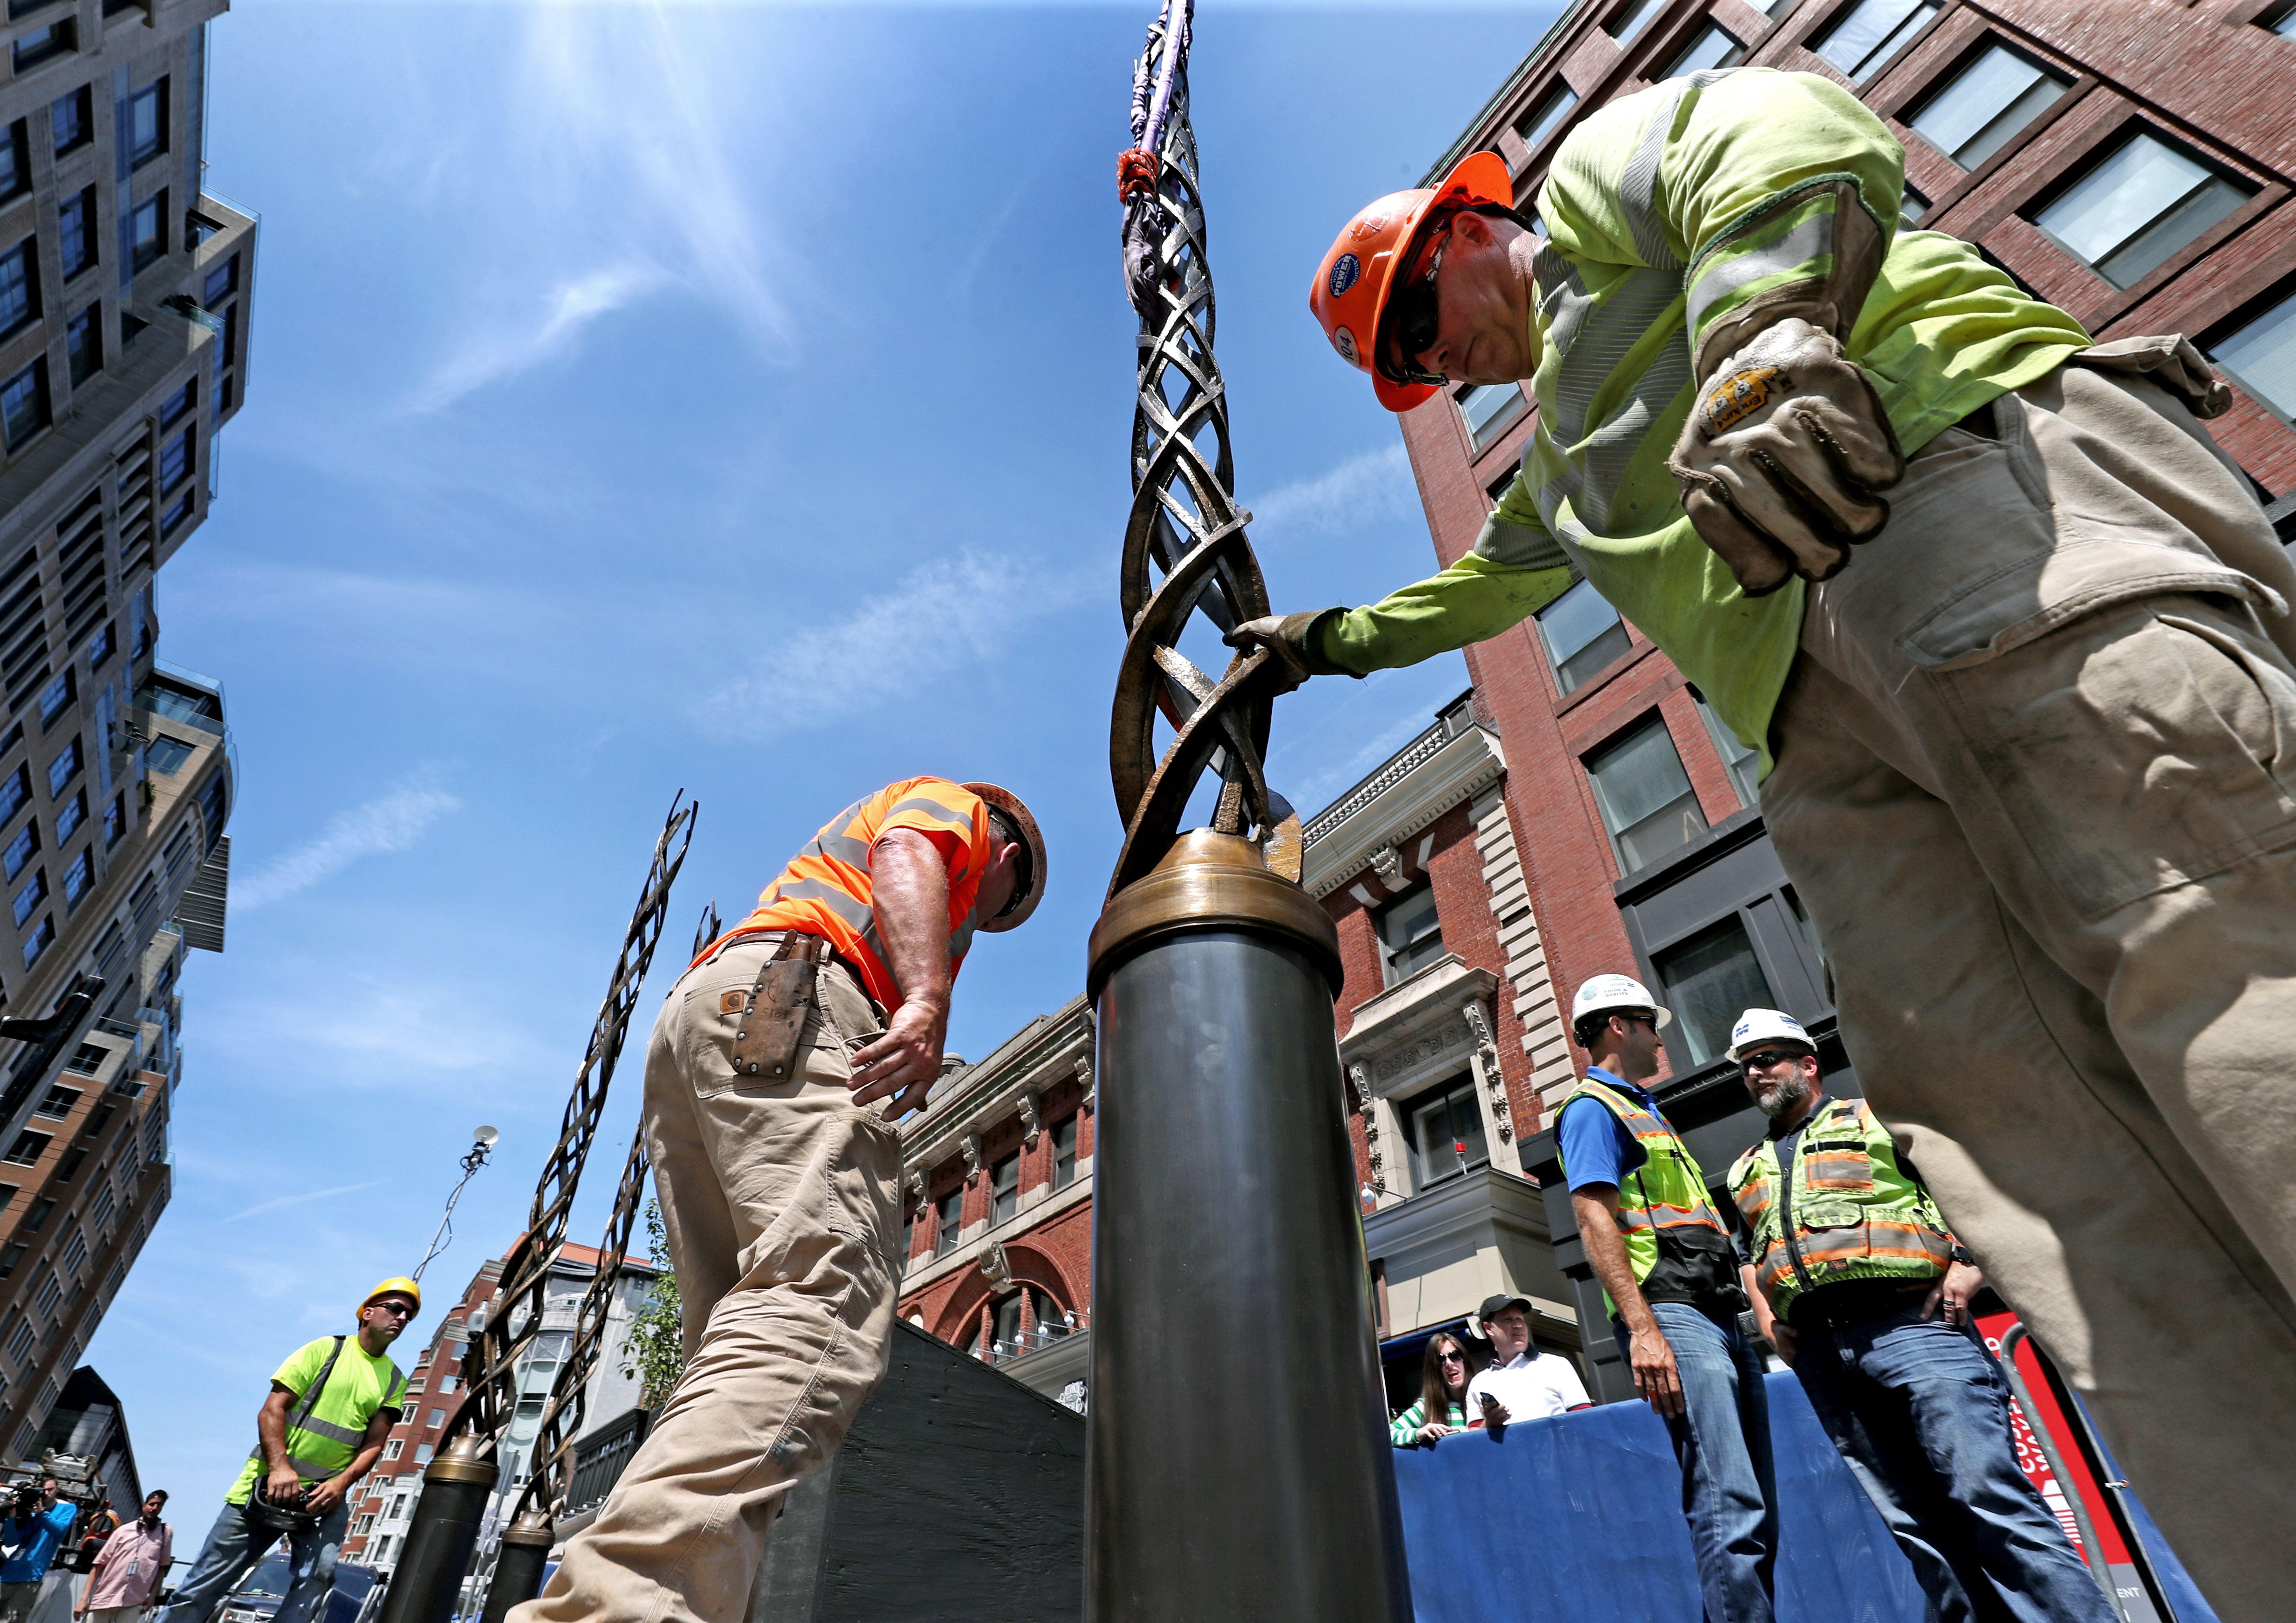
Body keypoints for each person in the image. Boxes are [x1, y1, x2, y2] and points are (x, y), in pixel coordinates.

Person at [1237, 61, 2296, 1619]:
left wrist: (1760, 335)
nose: (1431, 350)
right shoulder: (1568, 456)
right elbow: (1482, 591)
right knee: (2043, 1155)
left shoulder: (1607, 181)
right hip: (1816, 721)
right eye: (1402, 359)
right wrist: (1323, 641)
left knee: (2220, 957)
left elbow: (1787, 131)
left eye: (1418, 303)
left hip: (1943, 491)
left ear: (1474, 224)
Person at [514, 778, 1048, 1623]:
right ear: (1007, 858)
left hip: (723, 1012)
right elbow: (909, 853)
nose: (973, 921)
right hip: (791, 995)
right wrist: (926, 996)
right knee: (818, 1298)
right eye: (993, 907)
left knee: (741, 1349)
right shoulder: (959, 810)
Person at [1721, 1010, 2113, 1623]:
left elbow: (1973, 1183)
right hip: (1825, 1356)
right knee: (1917, 1527)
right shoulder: (1746, 1167)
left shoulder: (1875, 1117)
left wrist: (1971, 1261)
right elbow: (1751, 1254)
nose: (1755, 1070)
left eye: (1768, 1056)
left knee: (1987, 1497)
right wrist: (1771, 1324)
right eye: (1747, 1064)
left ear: (1808, 1063)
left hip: (1914, 1327)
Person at [1553, 975, 1775, 1623]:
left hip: (1714, 1314)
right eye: (1650, 1023)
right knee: (1727, 1500)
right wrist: (1643, 1329)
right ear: (1619, 1026)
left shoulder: (1644, 1110)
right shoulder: (1595, 1109)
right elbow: (1594, 1221)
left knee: (1750, 1500)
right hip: (1674, 1317)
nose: (1659, 1036)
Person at [154, 1282, 415, 1623]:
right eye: (395, 1307)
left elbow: (374, 1445)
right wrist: (279, 1468)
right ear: (367, 1312)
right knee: (203, 1586)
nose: (403, 1316)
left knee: (318, 1578)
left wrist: (340, 1485)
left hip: (323, 1496)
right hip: (266, 1486)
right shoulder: (326, 1350)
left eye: (409, 1314)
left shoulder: (395, 1381)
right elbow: (271, 1410)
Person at [1459, 1294, 1590, 1432]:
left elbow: (1585, 1419)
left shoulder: (1556, 1365)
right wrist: (1490, 1423)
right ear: (1489, 1328)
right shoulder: (1478, 1382)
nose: (1518, 1325)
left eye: (1520, 1319)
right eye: (1508, 1320)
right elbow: (1474, 1439)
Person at [76, 1494, 168, 1623]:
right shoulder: (123, 1531)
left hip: (134, 1601)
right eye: (152, 1504)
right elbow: (99, 1565)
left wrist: (153, 1596)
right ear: (144, 1506)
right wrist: (84, 1600)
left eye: (159, 1505)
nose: (155, 1508)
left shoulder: (165, 1533)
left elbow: (162, 1567)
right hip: (106, 1597)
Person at [1, 1479, 79, 1623]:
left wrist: (41, 1512)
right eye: (43, 1490)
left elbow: (59, 1530)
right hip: (8, 1572)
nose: (46, 1493)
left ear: (58, 1489)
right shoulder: (28, 1512)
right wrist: (12, 1517)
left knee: (10, 1620)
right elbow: (11, 1541)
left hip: (30, 1577)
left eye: (50, 1490)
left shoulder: (67, 1509)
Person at [1390, 1332, 1474, 1447]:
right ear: (1434, 1370)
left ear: (1465, 1359)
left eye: (1454, 1355)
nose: (1449, 1363)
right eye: (1441, 1360)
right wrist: (1418, 1433)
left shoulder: (1482, 1398)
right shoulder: (1425, 1407)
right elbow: (1387, 1436)